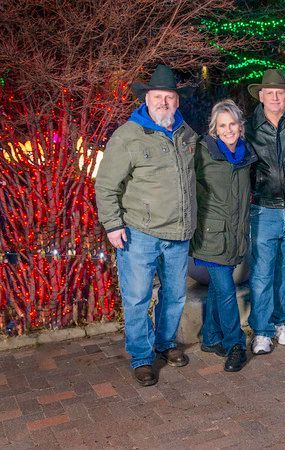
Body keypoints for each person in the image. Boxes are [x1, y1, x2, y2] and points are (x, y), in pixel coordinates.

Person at [95, 64, 198, 386]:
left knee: (175, 295)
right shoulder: (128, 135)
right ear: (147, 99)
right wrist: (113, 224)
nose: (164, 103)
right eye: (158, 97)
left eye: (169, 97)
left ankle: (166, 343)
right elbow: (106, 184)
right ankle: (142, 357)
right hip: (139, 233)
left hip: (178, 233)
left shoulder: (186, 134)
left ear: (176, 101)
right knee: (138, 297)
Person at [246, 69, 285, 354]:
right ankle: (261, 331)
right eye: (269, 92)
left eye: (280, 93)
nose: (275, 97)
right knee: (261, 273)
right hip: (263, 210)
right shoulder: (248, 128)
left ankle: (278, 322)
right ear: (261, 96)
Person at [190, 99, 257, 372]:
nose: (228, 130)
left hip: (236, 234)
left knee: (221, 287)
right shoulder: (202, 152)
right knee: (226, 290)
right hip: (212, 234)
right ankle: (235, 345)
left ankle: (210, 337)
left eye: (232, 124)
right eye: (222, 125)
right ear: (214, 129)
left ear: (240, 127)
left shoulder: (245, 154)